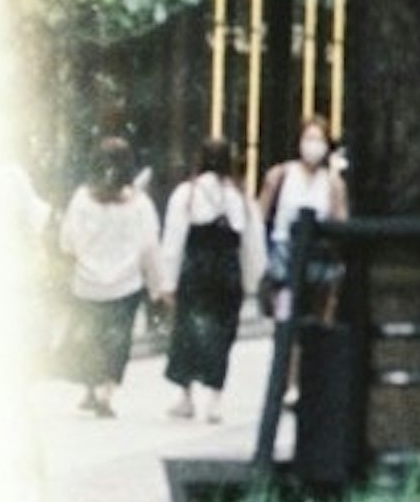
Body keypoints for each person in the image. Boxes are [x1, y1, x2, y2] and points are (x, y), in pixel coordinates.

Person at [157, 141, 262, 424]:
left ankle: (185, 396)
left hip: (195, 272)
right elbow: (252, 244)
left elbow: (173, 240)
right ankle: (215, 398)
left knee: (187, 333)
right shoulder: (240, 197)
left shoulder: (187, 194)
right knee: (222, 335)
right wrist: (253, 280)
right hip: (228, 274)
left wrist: (167, 281)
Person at [59, 141, 159, 416]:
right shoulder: (140, 204)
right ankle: (106, 392)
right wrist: (157, 285)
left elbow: (67, 241)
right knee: (117, 340)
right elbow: (149, 246)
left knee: (91, 338)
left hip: (87, 282)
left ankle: (90, 388)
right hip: (126, 283)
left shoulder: (81, 199)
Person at [259, 111, 339, 320]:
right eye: (309, 138)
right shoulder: (280, 175)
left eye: (319, 139)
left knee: (314, 319)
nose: (313, 145)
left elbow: (340, 222)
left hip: (317, 259)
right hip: (283, 258)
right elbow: (260, 216)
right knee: (284, 315)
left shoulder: (333, 183)